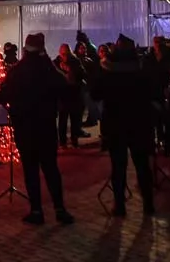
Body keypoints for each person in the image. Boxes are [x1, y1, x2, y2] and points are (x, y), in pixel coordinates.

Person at [0, 33, 74, 226]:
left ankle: (36, 210)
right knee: (51, 168)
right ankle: (59, 208)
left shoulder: (17, 71)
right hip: (46, 126)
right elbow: (65, 88)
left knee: (30, 169)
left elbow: (4, 93)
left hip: (25, 127)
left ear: (25, 49)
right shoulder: (48, 69)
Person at [91, 34, 156, 216]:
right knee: (142, 165)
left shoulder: (109, 72)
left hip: (116, 124)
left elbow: (95, 93)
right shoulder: (141, 71)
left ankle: (119, 205)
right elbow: (152, 92)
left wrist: (101, 70)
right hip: (139, 123)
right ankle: (148, 204)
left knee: (118, 166)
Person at [53, 44, 86, 149]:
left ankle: (74, 139)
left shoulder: (75, 62)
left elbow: (82, 74)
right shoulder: (56, 63)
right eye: (63, 53)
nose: (64, 56)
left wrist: (70, 71)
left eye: (66, 53)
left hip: (74, 94)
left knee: (74, 119)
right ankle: (62, 141)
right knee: (63, 119)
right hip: (63, 95)